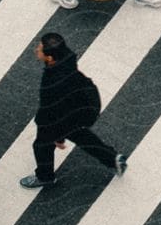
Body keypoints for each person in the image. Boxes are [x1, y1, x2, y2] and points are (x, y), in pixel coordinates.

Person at [23, 32, 123, 186]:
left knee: (42, 145)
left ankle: (45, 177)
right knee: (79, 135)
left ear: (50, 58)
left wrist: (57, 135)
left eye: (40, 48)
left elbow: (51, 110)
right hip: (79, 109)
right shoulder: (66, 63)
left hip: (61, 116)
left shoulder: (52, 81)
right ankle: (113, 159)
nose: (36, 50)